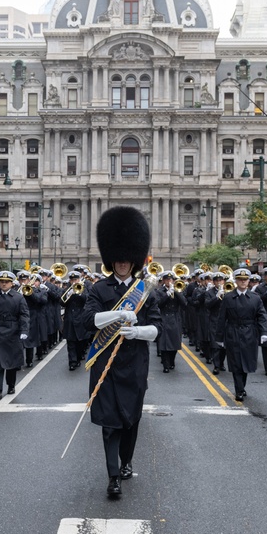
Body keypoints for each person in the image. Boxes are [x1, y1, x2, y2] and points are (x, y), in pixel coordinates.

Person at [82, 206, 161, 499]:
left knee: (130, 421)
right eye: (118, 259)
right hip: (106, 365)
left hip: (135, 366)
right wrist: (117, 318)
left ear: (135, 259)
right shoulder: (98, 289)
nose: (123, 263)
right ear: (111, 259)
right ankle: (113, 476)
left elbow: (156, 329)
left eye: (128, 259)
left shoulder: (145, 291)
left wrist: (136, 331)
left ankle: (127, 460)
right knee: (110, 424)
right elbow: (88, 320)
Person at [213, 268, 267, 401]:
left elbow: (262, 316)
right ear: (236, 281)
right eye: (240, 280)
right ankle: (239, 390)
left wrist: (264, 332)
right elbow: (222, 318)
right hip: (233, 332)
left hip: (250, 332)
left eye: (245, 280)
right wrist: (219, 337)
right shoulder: (228, 297)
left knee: (247, 362)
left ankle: (242, 386)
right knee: (236, 362)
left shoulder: (255, 298)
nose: (243, 282)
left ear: (249, 281)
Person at [0, 270, 30, 400]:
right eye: (2, 282)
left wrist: (24, 331)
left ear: (12, 283)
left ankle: (11, 385)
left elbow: (24, 315)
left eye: (6, 282)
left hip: (12, 332)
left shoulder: (18, 297)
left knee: (11, 362)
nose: (4, 284)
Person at [155, 271, 186, 373]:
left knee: (174, 342)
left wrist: (176, 292)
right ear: (163, 280)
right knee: (164, 343)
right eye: (167, 279)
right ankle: (166, 365)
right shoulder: (159, 291)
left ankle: (172, 361)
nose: (169, 281)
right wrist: (167, 295)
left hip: (175, 318)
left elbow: (184, 304)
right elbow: (158, 304)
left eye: (171, 279)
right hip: (164, 317)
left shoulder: (178, 289)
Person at [62, 270, 89, 370]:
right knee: (71, 342)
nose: (74, 282)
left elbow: (87, 299)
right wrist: (69, 293)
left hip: (81, 319)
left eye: (75, 279)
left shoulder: (84, 288)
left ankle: (78, 358)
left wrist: (79, 293)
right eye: (72, 280)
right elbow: (61, 302)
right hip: (70, 320)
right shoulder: (67, 289)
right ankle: (72, 362)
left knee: (80, 342)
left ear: (79, 279)